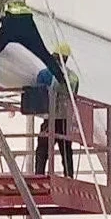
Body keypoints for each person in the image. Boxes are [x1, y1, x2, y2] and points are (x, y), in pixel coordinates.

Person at [34, 45, 79, 178]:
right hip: (65, 119)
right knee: (66, 149)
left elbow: (39, 94)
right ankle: (69, 175)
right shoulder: (74, 77)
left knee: (43, 148)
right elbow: (75, 96)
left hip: (50, 117)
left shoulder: (45, 74)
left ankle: (39, 175)